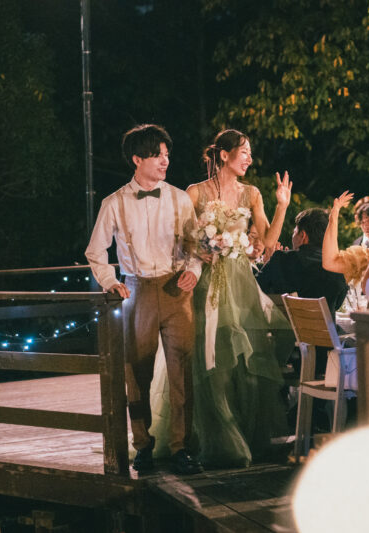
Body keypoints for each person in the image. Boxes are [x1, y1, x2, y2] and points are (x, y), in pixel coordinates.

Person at [85, 124, 203, 475]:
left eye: (166, 155)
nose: (165, 161)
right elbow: (95, 251)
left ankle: (182, 448)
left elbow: (195, 246)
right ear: (137, 159)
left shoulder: (180, 198)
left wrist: (193, 271)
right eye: (157, 155)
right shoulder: (114, 203)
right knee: (136, 372)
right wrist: (110, 281)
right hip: (136, 290)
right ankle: (143, 446)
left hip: (176, 290)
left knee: (182, 370)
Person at [185, 129, 295, 467]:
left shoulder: (252, 194)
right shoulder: (195, 192)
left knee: (248, 362)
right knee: (215, 363)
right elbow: (182, 238)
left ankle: (250, 436)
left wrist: (282, 205)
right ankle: (220, 441)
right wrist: (201, 247)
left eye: (249, 152)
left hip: (242, 284)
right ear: (224, 155)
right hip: (209, 285)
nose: (249, 158)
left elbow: (270, 243)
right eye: (243, 152)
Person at [256, 208, 349, 316]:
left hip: (285, 325)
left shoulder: (281, 259)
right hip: (323, 326)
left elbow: (256, 288)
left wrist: (268, 262)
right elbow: (337, 305)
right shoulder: (337, 267)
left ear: (303, 235)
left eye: (294, 232)